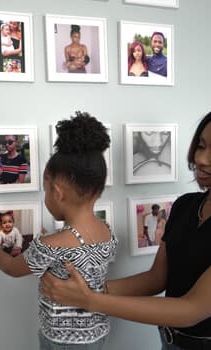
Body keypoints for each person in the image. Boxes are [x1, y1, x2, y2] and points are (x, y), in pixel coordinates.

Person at [40, 112, 211, 350]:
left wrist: (89, 299)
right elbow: (157, 278)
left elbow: (192, 309)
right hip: (170, 341)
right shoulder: (185, 206)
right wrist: (89, 288)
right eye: (201, 146)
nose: (202, 158)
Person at [0, 112, 118, 349]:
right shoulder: (107, 232)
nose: (46, 196)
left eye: (46, 190)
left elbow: (11, 268)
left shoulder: (51, 245)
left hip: (61, 342)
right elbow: (81, 253)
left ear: (58, 193)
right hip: (98, 336)